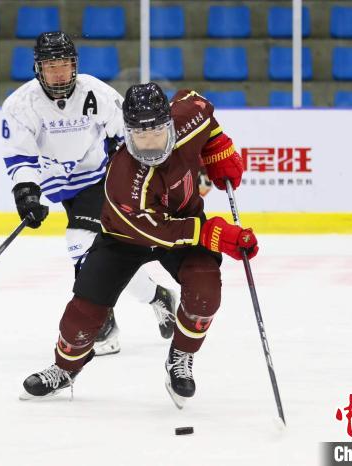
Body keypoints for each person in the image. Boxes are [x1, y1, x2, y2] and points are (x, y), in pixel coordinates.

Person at [19, 83, 259, 408]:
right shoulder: (123, 177)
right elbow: (160, 232)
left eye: (157, 132)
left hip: (183, 226)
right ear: (127, 132)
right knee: (81, 319)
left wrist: (219, 147)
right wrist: (216, 234)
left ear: (170, 123)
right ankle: (65, 369)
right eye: (139, 135)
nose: (148, 143)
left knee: (205, 291)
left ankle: (181, 356)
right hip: (124, 238)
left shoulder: (188, 117)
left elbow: (200, 105)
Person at [1, 32, 178, 355]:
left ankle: (102, 324)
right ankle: (159, 296)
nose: (59, 73)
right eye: (51, 66)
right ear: (38, 68)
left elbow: (125, 134)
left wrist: (132, 175)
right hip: (56, 184)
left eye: (64, 65)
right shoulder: (20, 105)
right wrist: (26, 194)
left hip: (98, 178)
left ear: (75, 66)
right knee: (107, 255)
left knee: (80, 241)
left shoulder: (95, 91)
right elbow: (20, 157)